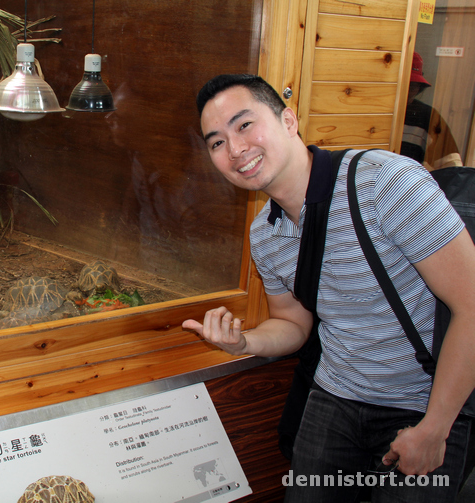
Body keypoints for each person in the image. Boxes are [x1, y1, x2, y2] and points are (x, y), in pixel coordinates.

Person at [181, 74, 475, 502]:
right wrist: (243, 341)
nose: (236, 149)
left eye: (244, 125)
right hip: (335, 398)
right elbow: (293, 325)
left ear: (288, 120)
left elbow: (471, 305)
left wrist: (435, 427)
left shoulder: (385, 184)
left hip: (425, 402)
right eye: (217, 142)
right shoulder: (265, 235)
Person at [401, 52, 462, 170]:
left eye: (413, 86)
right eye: (405, 84)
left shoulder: (427, 116)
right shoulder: (372, 112)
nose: (409, 91)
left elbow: (452, 170)